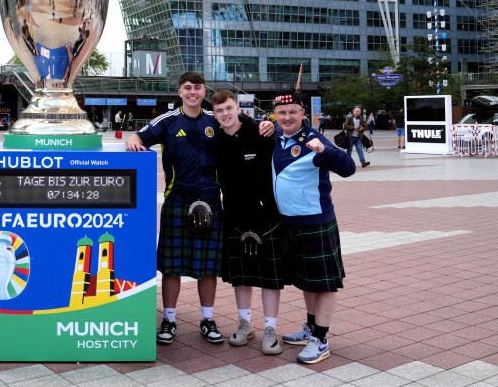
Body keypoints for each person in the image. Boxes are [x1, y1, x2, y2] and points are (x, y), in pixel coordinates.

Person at [125, 72, 226, 346]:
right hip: (177, 200)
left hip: (210, 201)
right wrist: (134, 141)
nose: (193, 92)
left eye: (197, 88)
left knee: (208, 266)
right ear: (180, 92)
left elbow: (242, 130)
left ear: (204, 91)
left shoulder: (214, 120)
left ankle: (207, 319)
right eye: (187, 88)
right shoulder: (168, 121)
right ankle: (169, 320)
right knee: (172, 267)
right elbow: (139, 135)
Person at [271, 92, 355, 365]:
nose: (287, 117)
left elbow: (348, 168)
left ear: (303, 113)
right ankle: (310, 327)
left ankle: (321, 339)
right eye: (282, 113)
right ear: (275, 114)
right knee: (307, 280)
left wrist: (324, 150)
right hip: (289, 222)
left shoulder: (312, 140)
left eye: (293, 112)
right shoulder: (276, 137)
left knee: (324, 283)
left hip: (316, 221)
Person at [209, 90, 283, 355]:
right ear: (214, 114)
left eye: (229, 108)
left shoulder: (261, 132)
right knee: (240, 276)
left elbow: (292, 130)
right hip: (234, 214)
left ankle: (271, 329)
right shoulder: (215, 140)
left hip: (266, 214)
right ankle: (245, 323)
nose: (225, 114)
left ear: (237, 107)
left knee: (269, 276)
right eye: (219, 111)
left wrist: (272, 124)